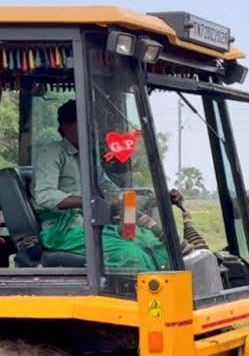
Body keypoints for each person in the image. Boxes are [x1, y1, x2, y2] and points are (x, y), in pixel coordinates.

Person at [31, 99, 172, 270]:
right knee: (129, 254)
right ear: (67, 126)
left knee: (151, 243)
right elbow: (44, 195)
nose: (93, 129)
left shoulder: (88, 158)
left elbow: (110, 191)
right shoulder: (52, 153)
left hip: (93, 225)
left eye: (93, 124)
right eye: (85, 124)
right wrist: (88, 201)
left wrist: (155, 200)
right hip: (65, 231)